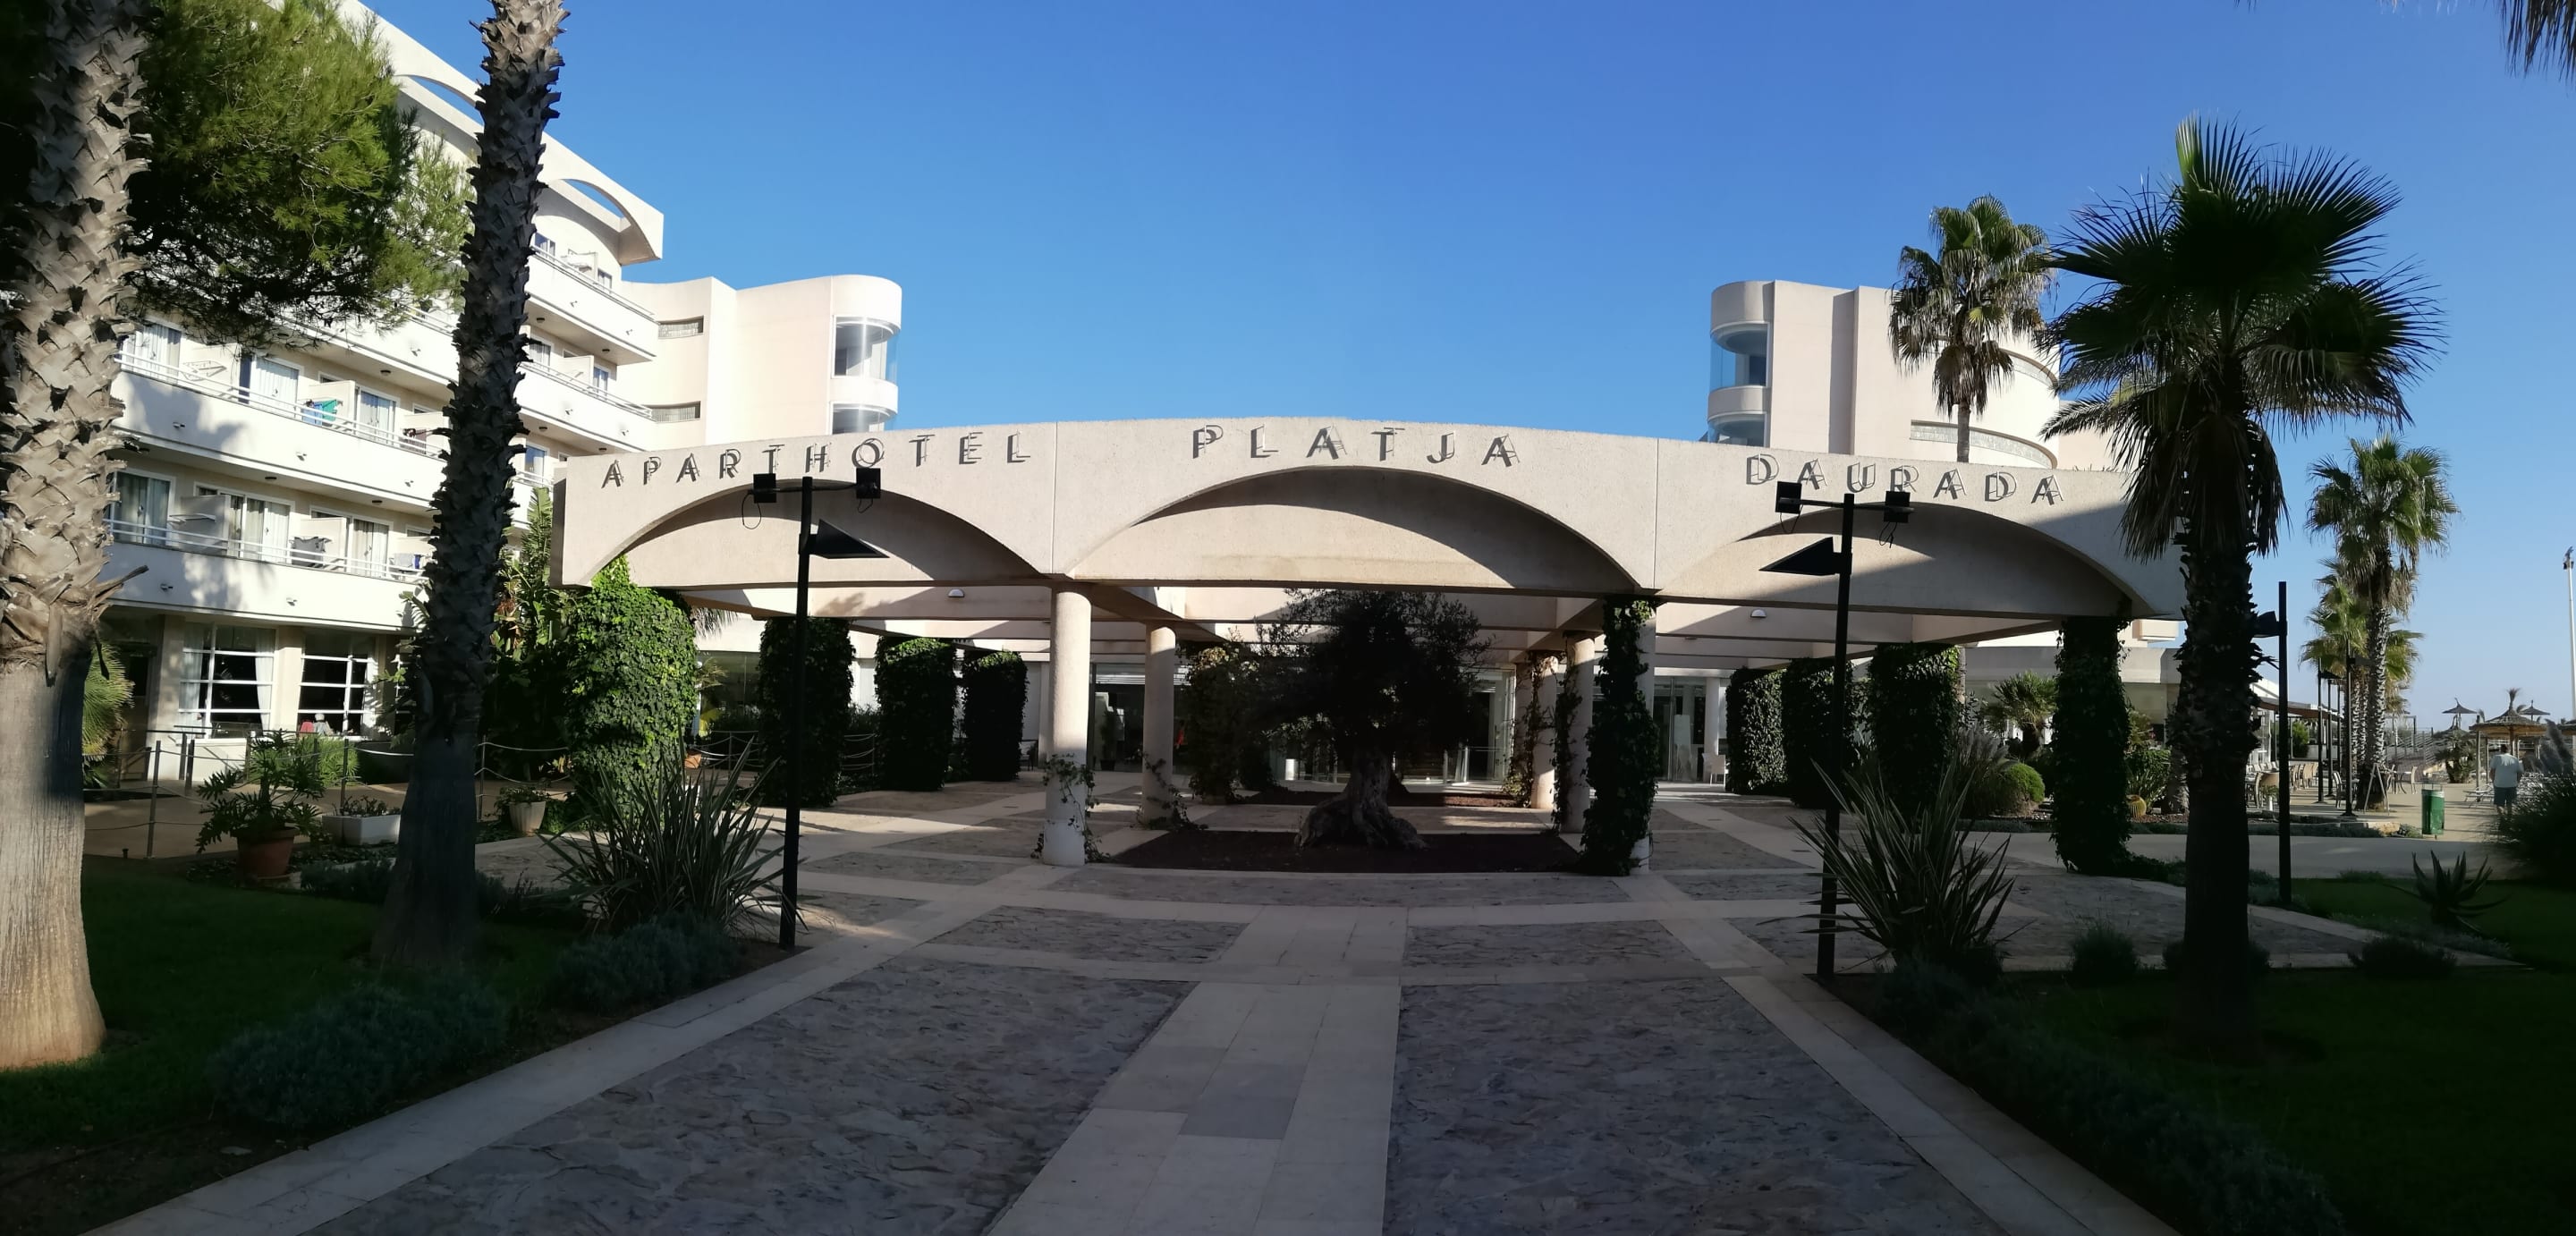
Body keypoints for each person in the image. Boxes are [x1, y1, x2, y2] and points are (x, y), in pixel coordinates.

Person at [2490, 745, 2524, 815]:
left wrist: (2494, 781)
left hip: (2499, 784)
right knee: (2510, 803)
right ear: (2509, 750)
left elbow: (2492, 772)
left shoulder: (2496, 758)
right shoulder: (2515, 759)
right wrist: (2517, 782)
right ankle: (2509, 817)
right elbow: (2520, 773)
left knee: (2499, 804)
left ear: (2501, 750)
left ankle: (2502, 817)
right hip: (2512, 784)